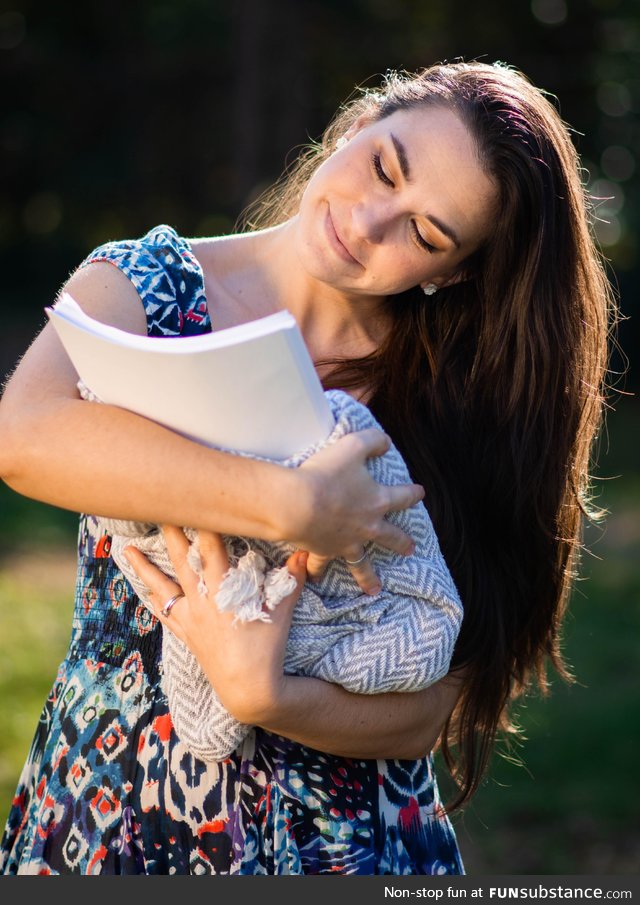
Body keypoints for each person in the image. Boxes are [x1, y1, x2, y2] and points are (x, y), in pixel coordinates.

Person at [0, 60, 613, 875]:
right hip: (112, 818)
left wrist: (270, 700)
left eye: (426, 234)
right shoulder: (148, 285)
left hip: (351, 850)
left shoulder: (461, 397)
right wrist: (289, 504)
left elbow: (434, 706)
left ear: (452, 272)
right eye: (384, 165)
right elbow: (25, 436)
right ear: (356, 125)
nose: (369, 221)